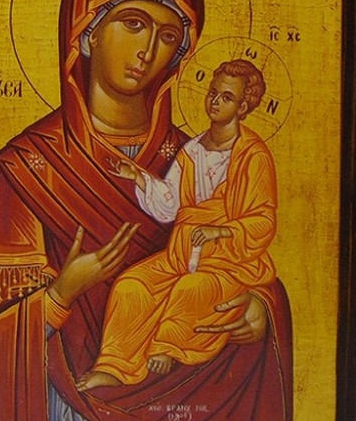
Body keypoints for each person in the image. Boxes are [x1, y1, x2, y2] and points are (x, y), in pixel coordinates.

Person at [0, 0, 292, 421]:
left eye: (168, 35)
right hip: (68, 410)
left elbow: (252, 254)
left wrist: (259, 309)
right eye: (133, 24)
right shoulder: (28, 168)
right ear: (87, 34)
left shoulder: (199, 154)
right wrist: (62, 294)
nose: (148, 50)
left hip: (197, 406)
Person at [76, 60, 277, 390]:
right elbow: (170, 203)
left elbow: (263, 220)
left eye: (226, 97)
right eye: (212, 93)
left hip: (229, 262)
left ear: (243, 107)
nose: (215, 101)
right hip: (180, 255)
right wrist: (138, 177)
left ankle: (167, 348)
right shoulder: (192, 151)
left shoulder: (252, 156)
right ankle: (114, 366)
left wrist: (221, 231)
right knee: (131, 284)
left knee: (191, 289)